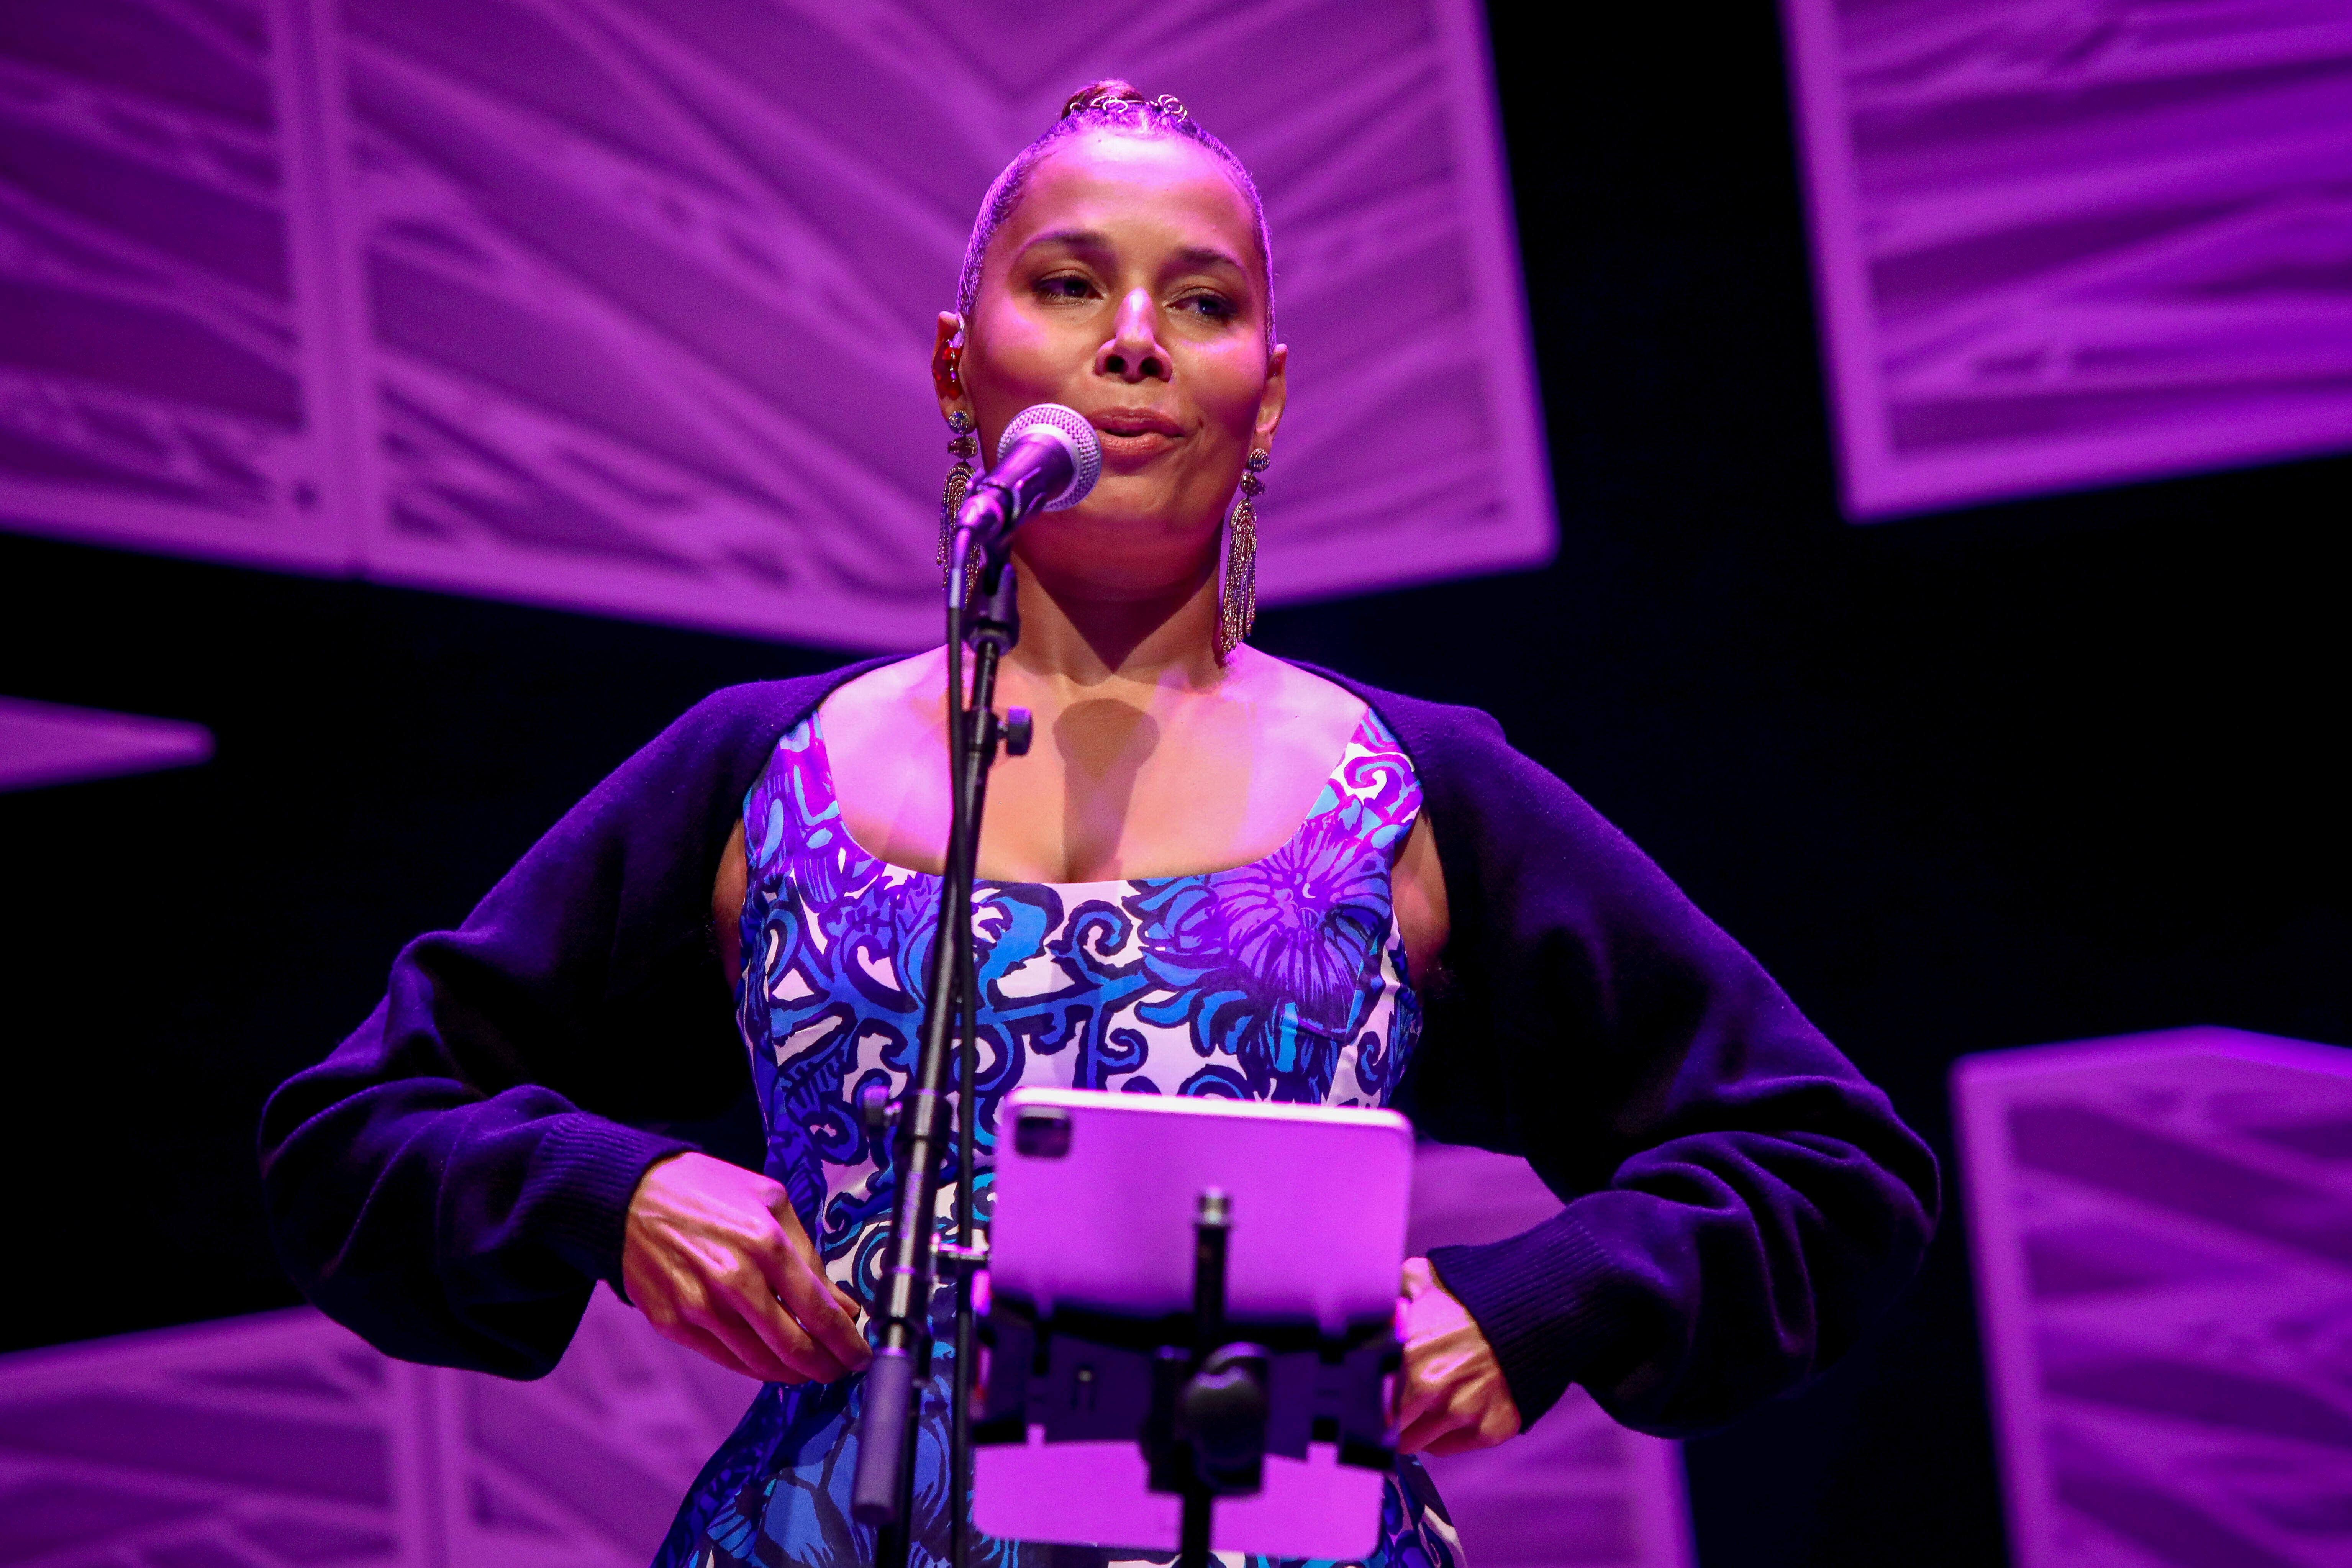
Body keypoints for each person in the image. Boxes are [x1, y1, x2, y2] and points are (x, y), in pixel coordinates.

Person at [261, 81, 1936, 1568]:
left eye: (1197, 302)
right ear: (954, 360)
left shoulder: (1404, 786)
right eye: (1067, 284)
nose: (1130, 338)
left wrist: (1525, 1306)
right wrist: (603, 1188)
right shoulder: (764, 770)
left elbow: (1825, 1164)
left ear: (1265, 395)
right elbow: (348, 1133)